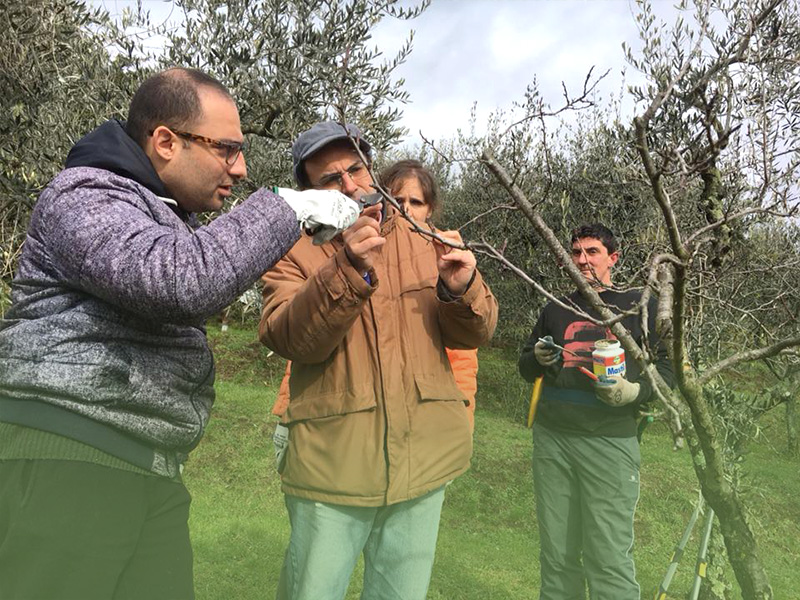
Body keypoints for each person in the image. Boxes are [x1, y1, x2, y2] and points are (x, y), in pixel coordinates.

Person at [0, 68, 359, 600]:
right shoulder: (85, 194)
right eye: (228, 149)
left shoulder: (159, 214)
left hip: (146, 464)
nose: (240, 170)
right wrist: (290, 204)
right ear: (166, 141)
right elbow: (179, 279)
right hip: (67, 457)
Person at [259, 122, 498, 600]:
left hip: (422, 465)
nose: (350, 185)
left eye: (355, 169)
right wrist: (345, 267)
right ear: (309, 190)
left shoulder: (422, 236)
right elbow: (289, 337)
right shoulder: (291, 249)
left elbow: (480, 331)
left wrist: (461, 288)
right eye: (331, 179)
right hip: (334, 469)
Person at [518, 223, 674, 600]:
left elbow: (671, 371)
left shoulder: (641, 306)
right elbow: (525, 367)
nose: (583, 260)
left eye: (592, 252)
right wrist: (537, 358)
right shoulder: (555, 307)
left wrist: (634, 392)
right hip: (553, 441)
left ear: (613, 259)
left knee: (608, 558)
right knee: (557, 555)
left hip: (610, 442)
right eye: (576, 252)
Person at [271, 159, 480, 431]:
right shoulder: (315, 243)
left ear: (430, 210)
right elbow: (299, 338)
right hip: (323, 421)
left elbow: (463, 358)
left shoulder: (444, 255)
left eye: (416, 202)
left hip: (421, 427)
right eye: (396, 199)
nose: (405, 209)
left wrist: (461, 418)